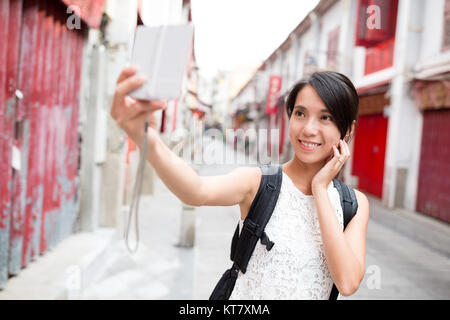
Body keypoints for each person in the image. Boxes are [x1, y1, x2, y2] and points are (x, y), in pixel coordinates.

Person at [110, 66, 370, 299]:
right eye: (300, 113)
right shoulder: (260, 182)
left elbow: (347, 282)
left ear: (347, 130)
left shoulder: (354, 204)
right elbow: (197, 191)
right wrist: (151, 143)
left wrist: (320, 190)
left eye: (325, 118)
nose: (308, 129)